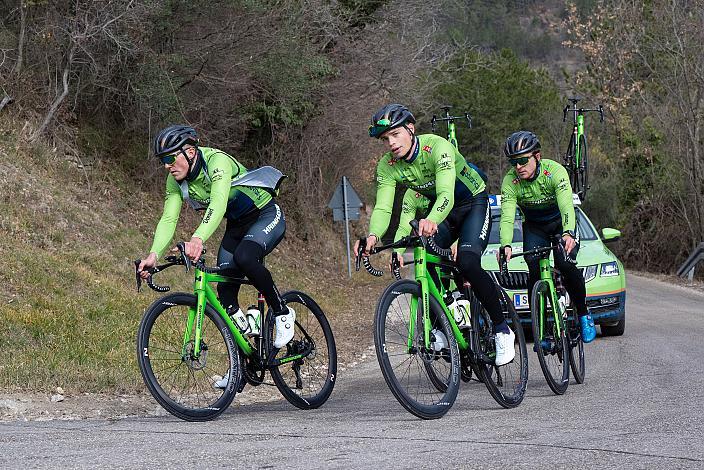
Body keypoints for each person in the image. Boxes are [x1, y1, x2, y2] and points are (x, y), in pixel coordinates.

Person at [355, 104, 515, 366]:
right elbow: (384, 206)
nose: (391, 143)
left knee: (468, 261)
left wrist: (431, 219)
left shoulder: (436, 147)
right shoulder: (388, 165)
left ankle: (501, 329)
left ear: (411, 129)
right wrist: (373, 236)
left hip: (472, 202)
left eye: (396, 134)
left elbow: (446, 195)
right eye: (386, 139)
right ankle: (446, 319)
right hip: (443, 211)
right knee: (424, 259)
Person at [136, 125, 295, 388]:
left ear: (189, 152)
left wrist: (197, 238)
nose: (166, 166)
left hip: (266, 215)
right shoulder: (176, 181)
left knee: (245, 257)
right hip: (237, 226)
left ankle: (282, 312)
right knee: (225, 291)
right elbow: (169, 218)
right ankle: (243, 364)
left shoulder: (216, 161)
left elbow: (218, 203)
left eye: (169, 158)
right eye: (161, 161)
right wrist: (154, 255)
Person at [497, 130, 596, 343]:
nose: (518, 167)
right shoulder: (510, 181)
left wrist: (569, 233)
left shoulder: (555, 172)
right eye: (513, 162)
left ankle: (583, 312)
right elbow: (506, 217)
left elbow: (567, 206)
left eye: (523, 160)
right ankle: (540, 326)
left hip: (561, 223)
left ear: (537, 156)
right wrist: (505, 244)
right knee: (533, 265)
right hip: (535, 227)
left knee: (565, 262)